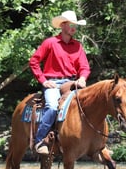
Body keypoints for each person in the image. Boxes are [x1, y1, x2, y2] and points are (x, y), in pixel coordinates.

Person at [29, 10, 91, 155]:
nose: (74, 28)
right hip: (53, 83)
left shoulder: (78, 46)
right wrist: (43, 81)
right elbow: (34, 61)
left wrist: (82, 78)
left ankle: (94, 141)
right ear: (63, 25)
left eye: (75, 25)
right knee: (52, 107)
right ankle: (40, 140)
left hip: (71, 82)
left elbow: (84, 67)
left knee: (89, 103)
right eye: (71, 25)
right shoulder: (50, 43)